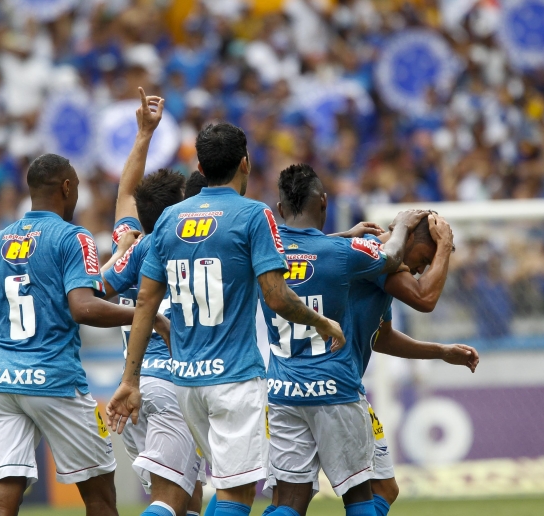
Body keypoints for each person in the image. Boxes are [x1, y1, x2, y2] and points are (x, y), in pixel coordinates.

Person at [107, 122, 345, 516]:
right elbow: (275, 296)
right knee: (236, 493)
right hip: (233, 377)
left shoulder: (168, 221)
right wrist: (320, 322)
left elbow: (146, 300)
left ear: (199, 164)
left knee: (197, 494)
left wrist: (129, 380)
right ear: (245, 163)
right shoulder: (254, 215)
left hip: (185, 381)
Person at [0, 153, 167, 516]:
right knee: (100, 498)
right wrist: (143, 316)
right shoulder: (73, 237)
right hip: (55, 381)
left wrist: (7, 333)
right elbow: (83, 307)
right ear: (67, 187)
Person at [259, 164, 424, 516]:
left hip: (284, 392)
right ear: (324, 202)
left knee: (288, 501)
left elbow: (299, 252)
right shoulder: (343, 254)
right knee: (360, 496)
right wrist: (405, 225)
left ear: (280, 207)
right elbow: (392, 256)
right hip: (335, 388)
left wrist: (342, 235)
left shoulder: (265, 257)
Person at [101, 88, 205, 516]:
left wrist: (144, 133)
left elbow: (126, 194)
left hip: (134, 389)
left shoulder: (130, 243)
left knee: (188, 499)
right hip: (172, 386)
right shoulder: (189, 243)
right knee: (171, 500)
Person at [343, 213, 479, 516]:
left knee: (293, 494)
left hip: (300, 381)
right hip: (337, 387)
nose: (425, 269)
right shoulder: (375, 256)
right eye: (426, 257)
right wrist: (444, 245)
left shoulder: (373, 258)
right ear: (409, 239)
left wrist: (441, 351)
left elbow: (382, 337)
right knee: (377, 490)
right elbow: (425, 297)